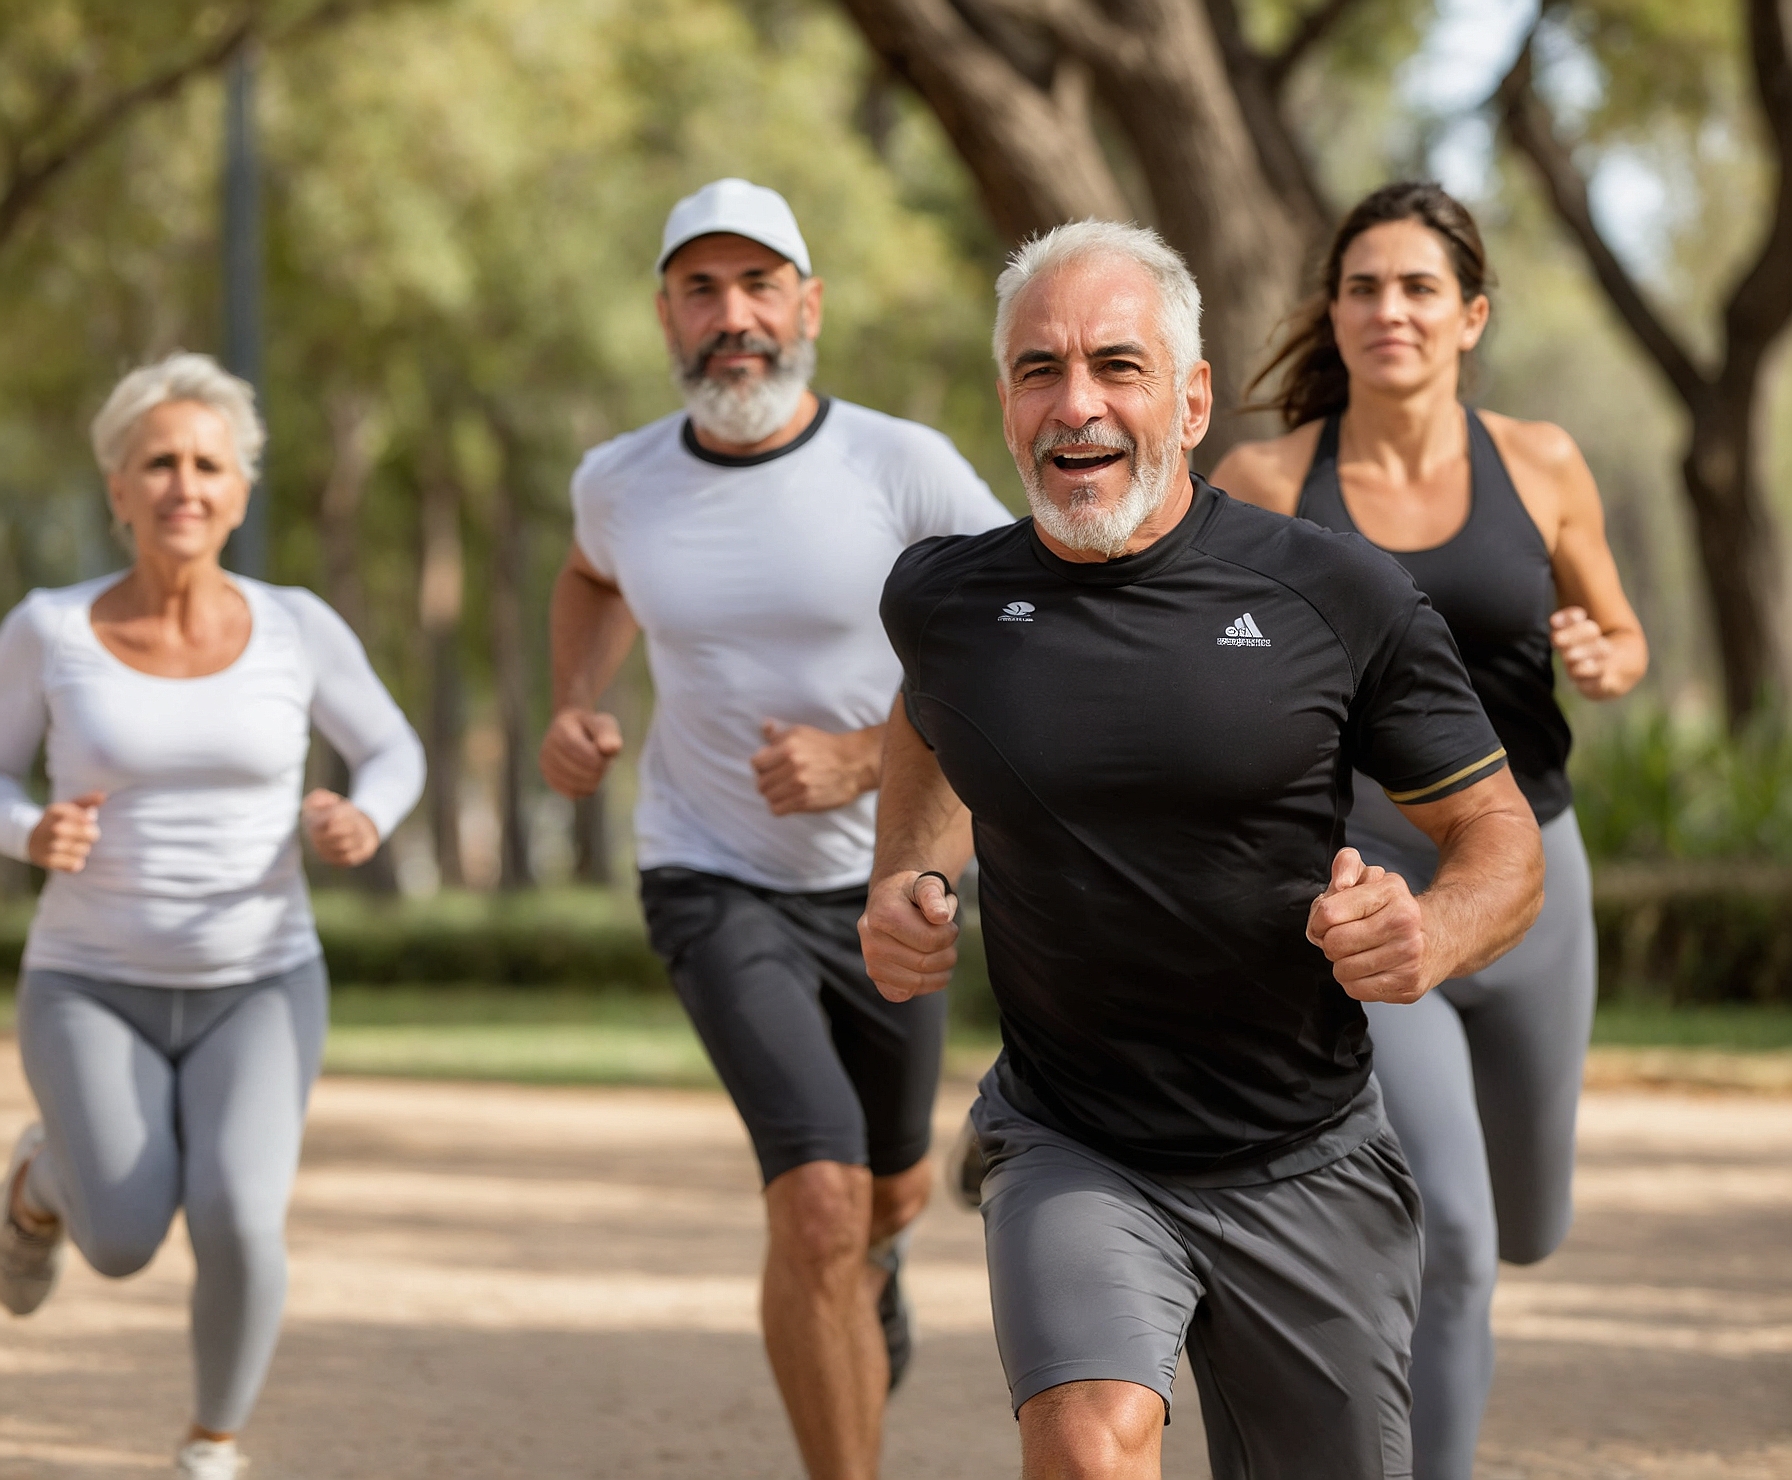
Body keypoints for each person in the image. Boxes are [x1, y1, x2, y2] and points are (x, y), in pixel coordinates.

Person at [860, 219, 1547, 1480]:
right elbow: (927, 718)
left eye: (1116, 366)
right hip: (1073, 1137)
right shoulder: (943, 600)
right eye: (1038, 369)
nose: (1076, 404)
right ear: (1005, 403)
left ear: (1189, 400)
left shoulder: (1337, 595)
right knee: (1088, 1443)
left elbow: (1500, 836)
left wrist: (1429, 931)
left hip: (1304, 1150)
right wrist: (907, 873)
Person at [538, 178, 1010, 1480]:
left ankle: (876, 1260)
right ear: (666, 317)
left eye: (759, 286)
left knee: (890, 1191)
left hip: (891, 879)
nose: (731, 316)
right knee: (815, 1203)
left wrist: (867, 759)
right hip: (710, 871)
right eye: (701, 290)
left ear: (809, 308)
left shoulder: (902, 466)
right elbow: (588, 577)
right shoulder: (618, 481)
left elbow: (1019, 628)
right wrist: (575, 701)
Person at [1208, 180, 1647, 1480]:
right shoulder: (1266, 483)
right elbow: (1194, 659)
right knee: (1449, 1234)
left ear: (1471, 317)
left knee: (1524, 1224)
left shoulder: (1542, 463)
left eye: (1416, 287)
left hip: (1531, 876)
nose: (1387, 309)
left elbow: (1620, 631)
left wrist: (1607, 657)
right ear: (1333, 311)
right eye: (1362, 287)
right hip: (1367, 886)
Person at [0, 353, 425, 1480]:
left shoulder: (296, 627)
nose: (183, 484)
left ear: (240, 491)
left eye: (207, 464)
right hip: (89, 982)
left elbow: (392, 747)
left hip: (262, 980)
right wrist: (29, 830)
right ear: (118, 488)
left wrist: (364, 816)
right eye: (157, 463)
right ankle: (39, 1186)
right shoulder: (49, 628)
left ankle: (211, 1446)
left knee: (239, 1214)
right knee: (123, 1237)